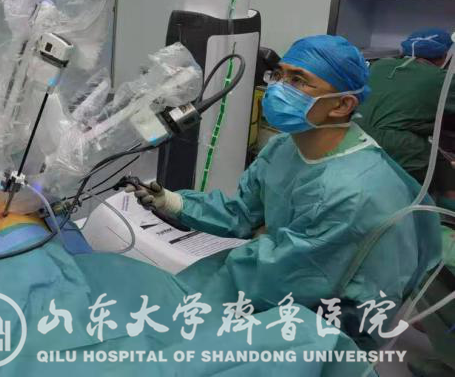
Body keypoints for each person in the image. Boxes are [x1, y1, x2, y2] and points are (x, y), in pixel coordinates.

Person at [134, 35, 440, 326]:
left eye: (298, 80)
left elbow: (286, 275)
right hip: (284, 277)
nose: (278, 88)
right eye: (278, 75)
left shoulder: (353, 190)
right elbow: (243, 212)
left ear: (341, 105)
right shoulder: (284, 148)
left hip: (333, 317)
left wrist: (262, 242)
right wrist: (172, 201)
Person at [355, 27, 454, 202]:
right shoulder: (442, 79)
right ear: (444, 56)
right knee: (440, 174)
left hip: (358, 138)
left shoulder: (379, 66)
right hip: (400, 148)